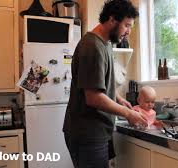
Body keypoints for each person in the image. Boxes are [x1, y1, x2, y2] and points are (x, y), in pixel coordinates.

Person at [62, 0, 147, 167]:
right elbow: (93, 97)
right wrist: (128, 114)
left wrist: (118, 99)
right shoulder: (92, 46)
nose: (128, 32)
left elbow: (97, 84)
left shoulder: (106, 43)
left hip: (97, 131)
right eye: (127, 25)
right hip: (87, 134)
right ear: (112, 19)